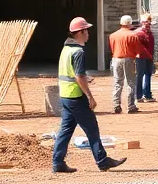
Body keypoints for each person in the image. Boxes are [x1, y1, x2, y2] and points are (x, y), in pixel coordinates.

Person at [52, 17, 126, 174]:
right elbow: (78, 76)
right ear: (79, 32)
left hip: (65, 95)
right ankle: (102, 160)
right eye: (86, 30)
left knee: (65, 131)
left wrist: (84, 78)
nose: (88, 34)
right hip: (76, 96)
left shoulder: (66, 49)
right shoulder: (78, 52)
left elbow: (72, 73)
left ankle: (58, 162)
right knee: (92, 128)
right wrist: (90, 96)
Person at [108, 15, 142, 114]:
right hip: (129, 59)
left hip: (116, 58)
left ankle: (116, 105)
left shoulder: (113, 35)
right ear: (130, 23)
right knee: (130, 82)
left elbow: (112, 48)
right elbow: (138, 50)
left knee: (117, 82)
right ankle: (131, 106)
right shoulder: (133, 35)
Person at [134, 14, 156, 103]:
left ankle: (147, 95)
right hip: (141, 57)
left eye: (149, 21)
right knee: (140, 75)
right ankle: (138, 96)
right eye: (146, 21)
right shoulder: (139, 33)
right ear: (142, 22)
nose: (148, 23)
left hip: (149, 57)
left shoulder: (149, 32)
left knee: (148, 75)